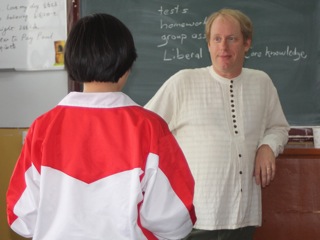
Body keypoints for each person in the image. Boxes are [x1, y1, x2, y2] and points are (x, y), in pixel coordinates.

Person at [6, 13, 196, 240]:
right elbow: (175, 218)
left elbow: (21, 217)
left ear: (72, 63)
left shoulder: (43, 128)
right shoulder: (150, 129)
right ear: (127, 66)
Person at [145, 8, 290, 240]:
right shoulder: (183, 82)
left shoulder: (262, 83)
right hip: (195, 219)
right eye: (217, 39)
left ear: (246, 43)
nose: (223, 47)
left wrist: (268, 146)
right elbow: (145, 128)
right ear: (209, 44)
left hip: (243, 218)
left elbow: (279, 127)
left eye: (232, 39)